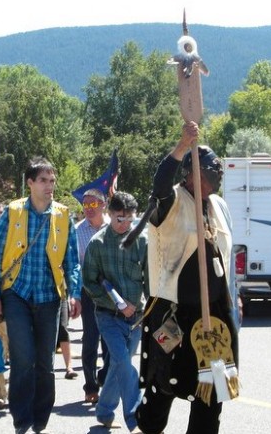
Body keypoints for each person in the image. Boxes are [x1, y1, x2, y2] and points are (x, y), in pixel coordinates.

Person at [132, 122, 239, 434]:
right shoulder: (170, 202)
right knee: (162, 384)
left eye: (217, 167)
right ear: (189, 173)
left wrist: (234, 299)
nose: (215, 172)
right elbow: (159, 185)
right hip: (173, 314)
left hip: (214, 316)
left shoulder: (218, 204)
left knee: (213, 390)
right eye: (207, 167)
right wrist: (181, 146)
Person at [0, 157, 81, 434]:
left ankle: (41, 420)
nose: (50, 185)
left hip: (50, 295)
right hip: (16, 293)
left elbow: (72, 260)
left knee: (45, 363)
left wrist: (74, 293)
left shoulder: (63, 215)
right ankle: (22, 420)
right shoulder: (13, 211)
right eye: (43, 180)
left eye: (52, 180)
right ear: (30, 183)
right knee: (23, 357)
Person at [82, 191, 146, 432]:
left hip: (137, 318)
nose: (125, 224)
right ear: (109, 214)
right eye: (120, 219)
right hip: (108, 316)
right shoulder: (97, 243)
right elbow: (89, 282)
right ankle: (135, 419)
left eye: (130, 219)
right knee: (122, 362)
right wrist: (117, 303)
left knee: (121, 364)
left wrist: (148, 306)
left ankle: (104, 411)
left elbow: (149, 278)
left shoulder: (142, 240)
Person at [75, 188, 111, 404]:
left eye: (92, 204)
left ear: (103, 205)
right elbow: (75, 266)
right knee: (90, 340)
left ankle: (105, 379)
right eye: (85, 205)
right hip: (89, 293)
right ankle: (90, 386)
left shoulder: (114, 228)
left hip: (113, 293)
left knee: (111, 340)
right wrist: (75, 296)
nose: (88, 209)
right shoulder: (78, 231)